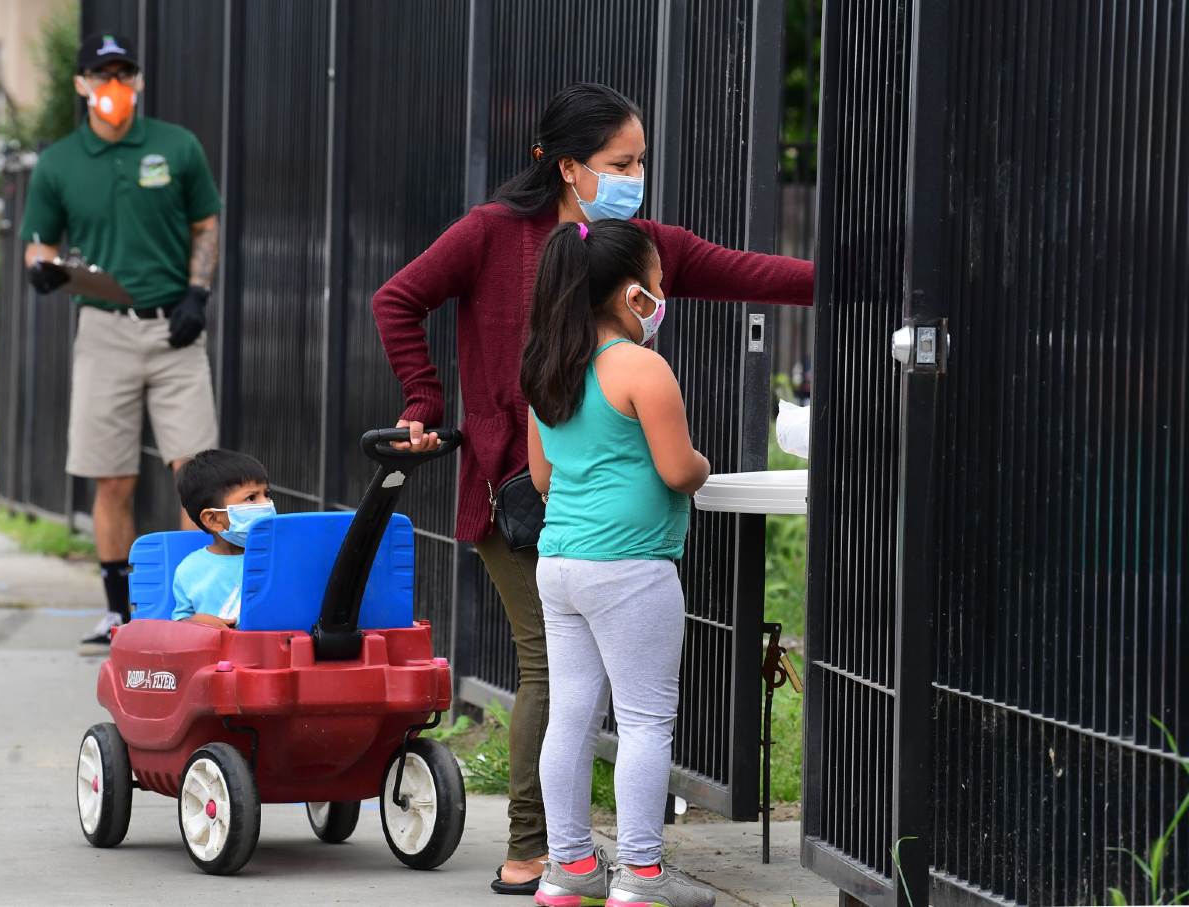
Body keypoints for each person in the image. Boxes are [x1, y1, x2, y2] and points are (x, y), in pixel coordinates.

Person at [372, 82, 814, 894]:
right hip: (523, 503)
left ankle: (563, 862)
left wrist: (856, 281)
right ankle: (540, 850)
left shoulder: (632, 246)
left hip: (567, 513)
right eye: (621, 162)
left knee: (570, 689)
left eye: (641, 160)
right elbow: (397, 299)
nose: (636, 174)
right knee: (566, 682)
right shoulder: (495, 235)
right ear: (569, 166)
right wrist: (424, 402)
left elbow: (758, 272)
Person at [525, 220, 714, 907]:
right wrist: (703, 464)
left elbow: (543, 479)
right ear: (632, 293)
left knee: (570, 713)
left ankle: (568, 868)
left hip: (560, 563)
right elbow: (678, 469)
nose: (663, 295)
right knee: (643, 720)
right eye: (658, 282)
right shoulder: (641, 367)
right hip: (631, 568)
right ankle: (640, 876)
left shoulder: (547, 364)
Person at [19, 32, 224, 653]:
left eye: (123, 73)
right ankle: (117, 610)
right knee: (111, 478)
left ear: (137, 81)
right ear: (81, 84)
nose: (114, 86)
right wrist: (40, 267)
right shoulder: (59, 163)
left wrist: (197, 293)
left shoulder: (176, 146)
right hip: (104, 328)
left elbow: (205, 224)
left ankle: (196, 605)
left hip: (175, 328)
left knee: (195, 472)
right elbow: (38, 241)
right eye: (101, 75)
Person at [171, 449, 276, 629]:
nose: (266, 505)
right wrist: (198, 622)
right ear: (213, 519)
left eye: (266, 494)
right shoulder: (189, 570)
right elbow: (179, 624)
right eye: (251, 498)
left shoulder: (280, 556)